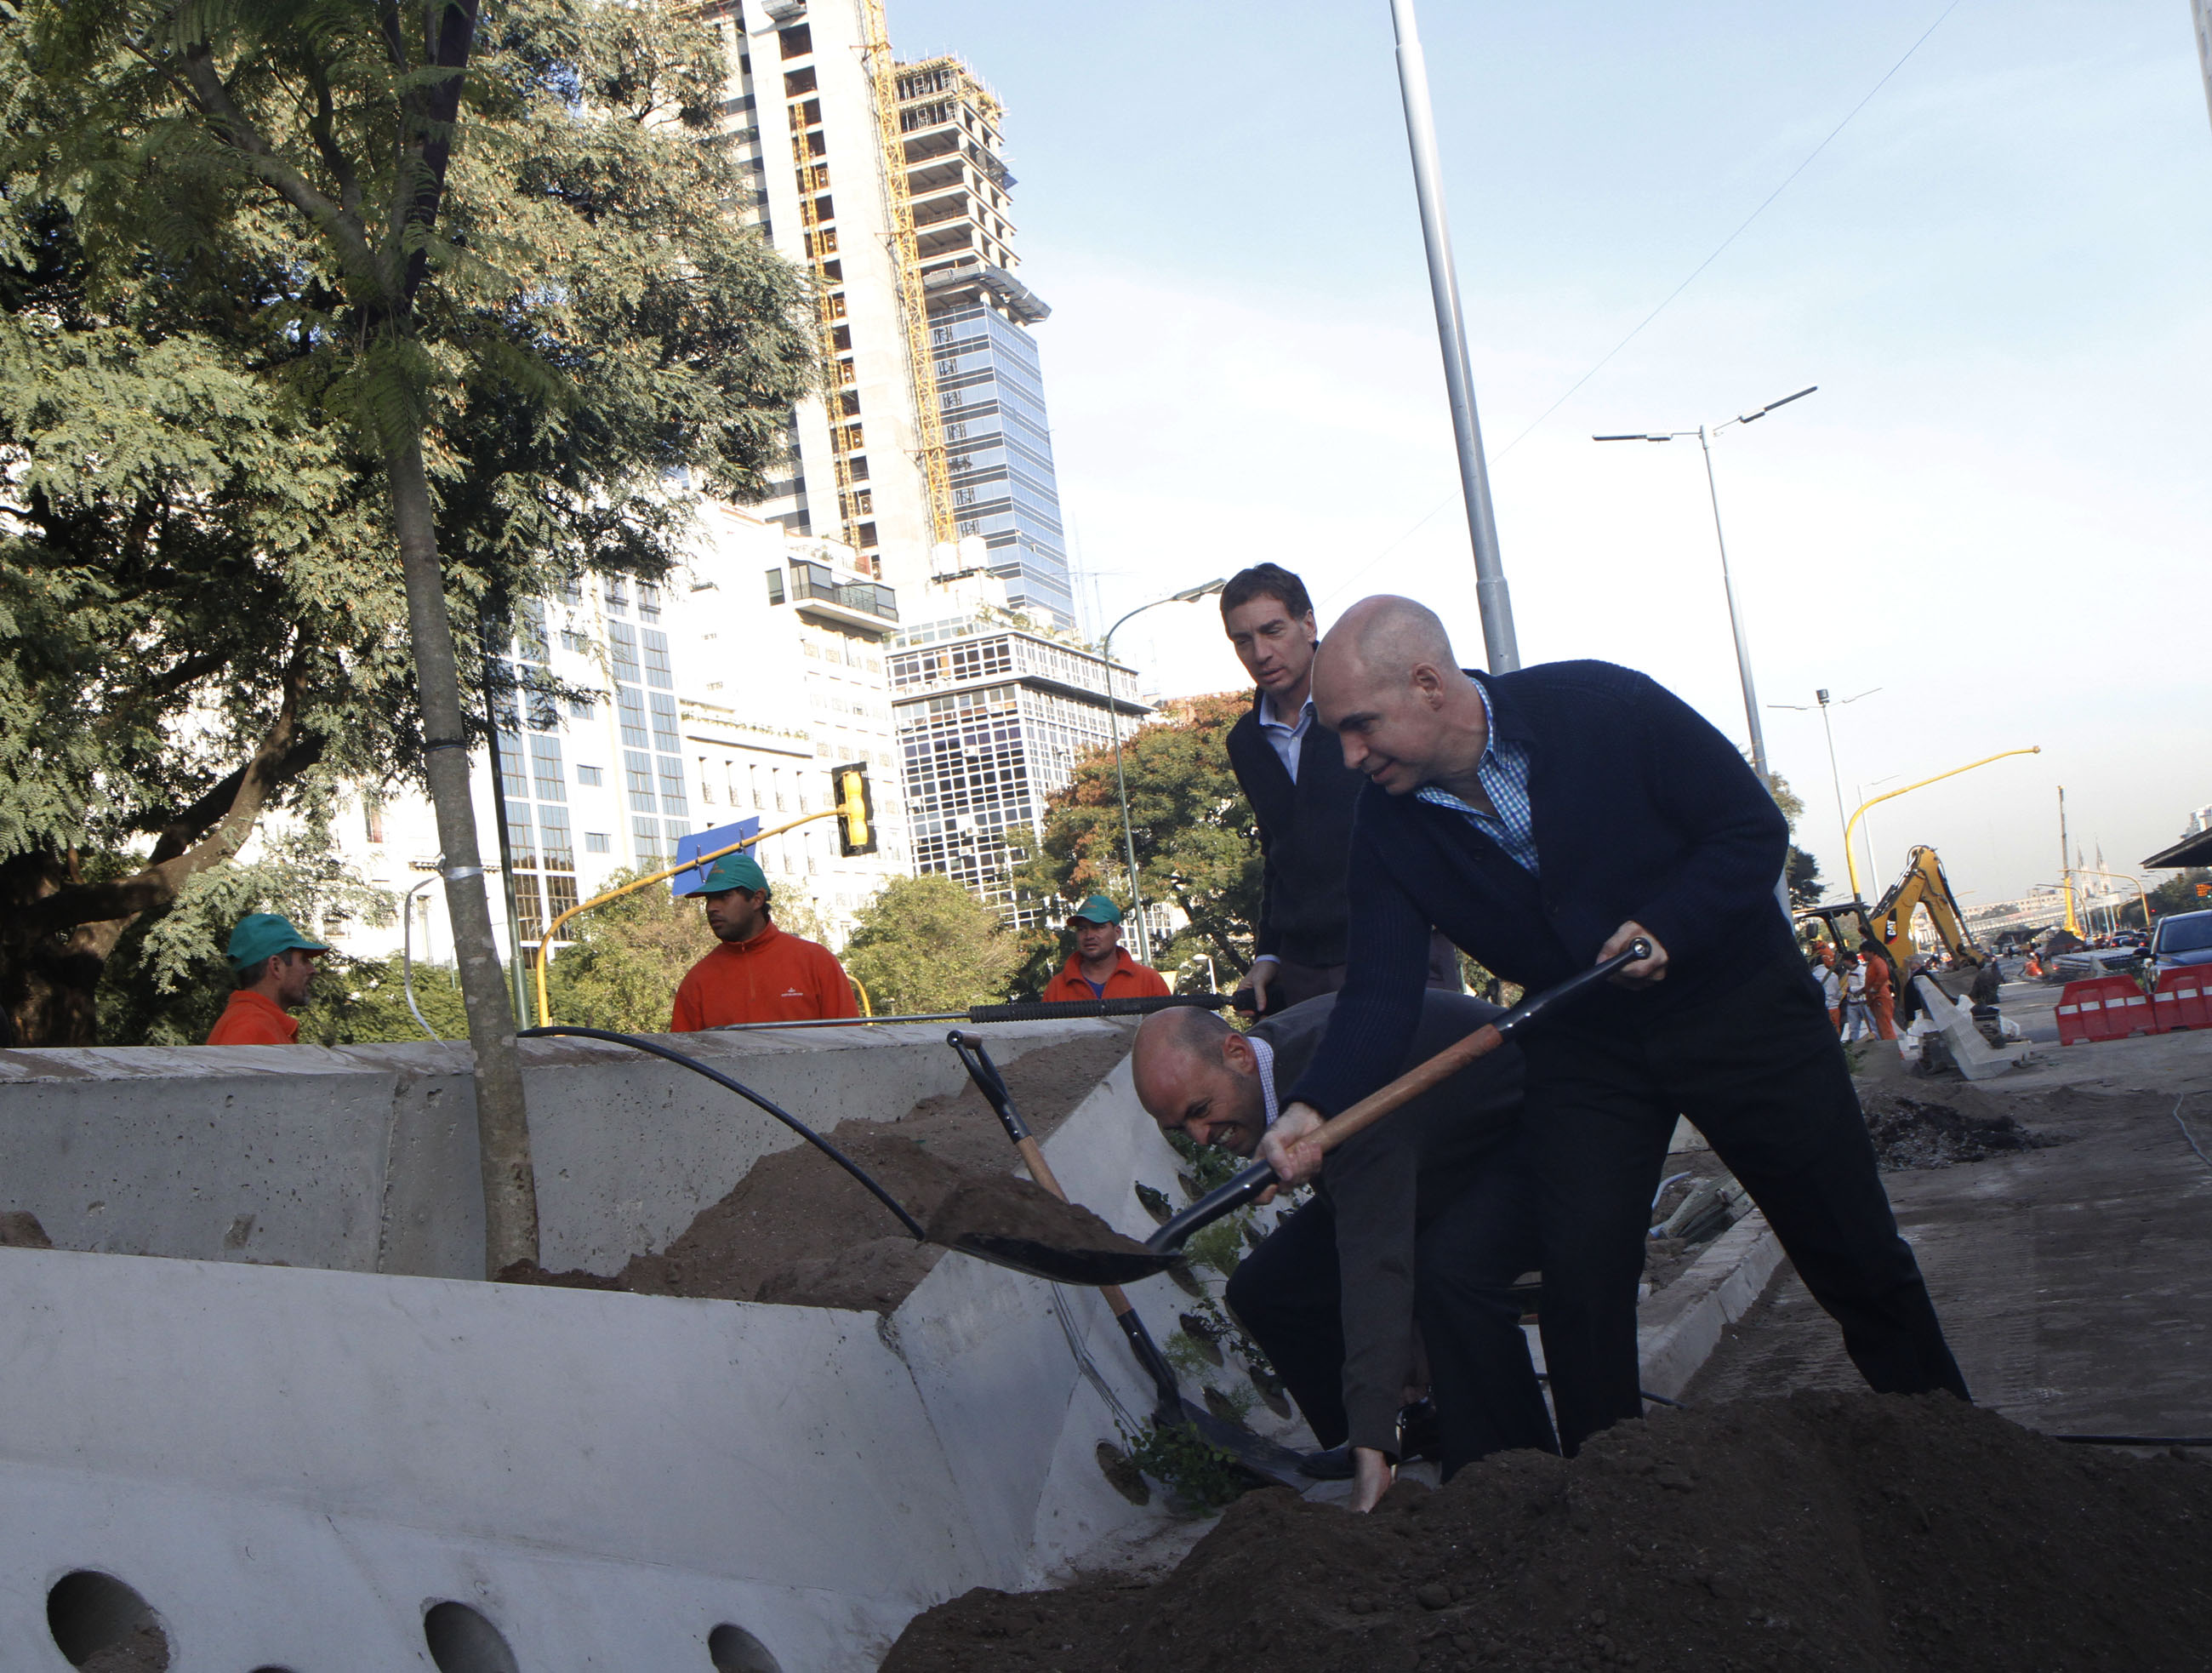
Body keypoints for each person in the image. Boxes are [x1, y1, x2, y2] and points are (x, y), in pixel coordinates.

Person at [1265, 595, 1967, 1455]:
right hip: (1584, 1040)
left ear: (1427, 684)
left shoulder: (1603, 708)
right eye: (1336, 732)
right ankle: (1609, 1507)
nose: (1348, 754)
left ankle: (1959, 1452)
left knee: (1849, 1250)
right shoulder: (1386, 822)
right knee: (1580, 1282)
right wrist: (1310, 1109)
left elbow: (1749, 830)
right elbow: (1379, 990)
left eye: (1360, 726)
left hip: (1738, 1010)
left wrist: (1668, 922)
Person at [1131, 991, 1553, 1511]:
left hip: (1540, 1132)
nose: (1200, 1136)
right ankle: (1410, 1428)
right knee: (1269, 1288)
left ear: (1237, 1053)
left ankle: (1511, 1473)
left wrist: (1375, 1431)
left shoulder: (1339, 1090)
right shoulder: (1271, 1064)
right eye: (1181, 1128)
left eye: (1200, 1110)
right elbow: (1359, 1205)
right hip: (1431, 1156)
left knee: (1449, 1275)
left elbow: (1375, 1260)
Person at [1219, 563, 1460, 1015]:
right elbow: (1277, 851)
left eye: (1273, 631)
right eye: (1243, 641)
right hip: (1303, 964)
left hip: (1403, 939)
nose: (1261, 653)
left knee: (1431, 1079)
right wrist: (1267, 954)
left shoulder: (1373, 700)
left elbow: (1438, 806)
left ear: (1308, 624)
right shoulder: (1245, 741)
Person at [670, 851, 856, 1030]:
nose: (712, 908)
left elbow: (852, 1043)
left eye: (723, 897)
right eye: (709, 899)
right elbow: (681, 1057)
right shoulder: (697, 981)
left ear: (757, 899)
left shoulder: (816, 962)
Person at [206, 913, 330, 1045]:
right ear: (276, 966)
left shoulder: (254, 1022)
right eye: (304, 960)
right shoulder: (250, 1027)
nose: (313, 970)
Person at [1040, 895, 1170, 1002]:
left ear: (1117, 932)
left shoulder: (1148, 980)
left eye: (1098, 927)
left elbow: (1170, 1028)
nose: (1089, 936)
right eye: (1082, 929)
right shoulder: (1057, 987)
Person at [1862, 949, 1897, 1040]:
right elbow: (1871, 981)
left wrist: (1875, 988)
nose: (1862, 954)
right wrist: (1864, 990)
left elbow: (1884, 974)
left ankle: (1893, 1051)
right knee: (1883, 1028)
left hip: (1880, 998)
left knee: (1885, 1028)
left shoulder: (1877, 962)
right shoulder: (1872, 963)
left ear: (1872, 951)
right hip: (1876, 999)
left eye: (1864, 951)